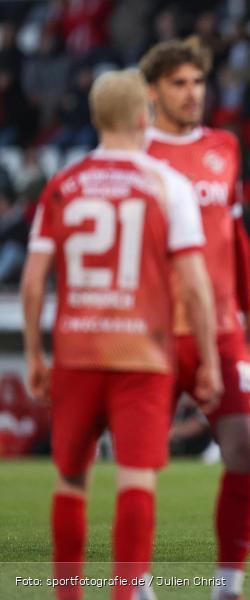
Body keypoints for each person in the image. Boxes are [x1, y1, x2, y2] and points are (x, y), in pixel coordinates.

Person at [20, 69, 220, 600]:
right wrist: (209, 359)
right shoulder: (167, 185)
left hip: (77, 352)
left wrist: (35, 354)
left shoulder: (63, 184)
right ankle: (126, 593)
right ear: (142, 116)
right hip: (142, 355)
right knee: (136, 479)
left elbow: (33, 282)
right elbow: (195, 286)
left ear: (95, 116)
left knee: (71, 480)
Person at [139, 39, 250, 599]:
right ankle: (136, 584)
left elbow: (233, 232)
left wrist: (249, 305)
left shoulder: (224, 146)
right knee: (142, 461)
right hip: (155, 331)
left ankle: (228, 585)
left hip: (222, 327)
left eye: (198, 82)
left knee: (245, 447)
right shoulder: (138, 153)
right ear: (153, 91)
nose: (192, 93)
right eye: (178, 83)